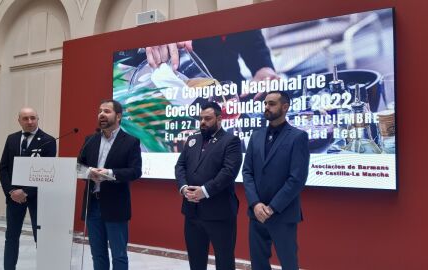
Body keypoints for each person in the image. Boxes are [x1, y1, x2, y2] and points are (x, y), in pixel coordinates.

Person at [242, 91, 310, 270]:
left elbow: (297, 179)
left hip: (282, 213)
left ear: (285, 107)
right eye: (265, 104)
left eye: (271, 104)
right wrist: (256, 204)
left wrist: (272, 208)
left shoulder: (297, 137)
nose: (266, 107)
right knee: (258, 264)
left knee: (288, 264)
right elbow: (247, 172)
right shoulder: (256, 136)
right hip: (256, 214)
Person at [175, 102, 243, 270]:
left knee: (224, 261)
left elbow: (228, 172)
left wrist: (204, 191)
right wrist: (184, 188)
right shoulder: (192, 139)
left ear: (219, 119)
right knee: (196, 260)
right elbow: (180, 166)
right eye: (201, 118)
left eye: (208, 118)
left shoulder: (231, 141)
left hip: (219, 212)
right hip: (192, 210)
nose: (203, 122)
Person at [78, 99, 142, 270]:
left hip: (115, 206)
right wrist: (88, 173)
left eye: (107, 111)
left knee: (119, 256)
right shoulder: (90, 140)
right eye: (100, 111)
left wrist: (110, 173)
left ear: (118, 116)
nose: (101, 114)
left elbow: (135, 171)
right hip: (92, 205)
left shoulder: (130, 141)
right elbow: (78, 166)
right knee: (97, 254)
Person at [0, 107, 56, 270]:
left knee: (41, 237)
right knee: (11, 237)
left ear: (38, 119)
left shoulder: (48, 140)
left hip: (38, 197)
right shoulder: (11, 139)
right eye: (25, 118)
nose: (30, 122)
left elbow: (47, 171)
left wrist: (26, 191)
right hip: (14, 196)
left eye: (33, 118)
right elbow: (3, 168)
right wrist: (11, 191)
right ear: (19, 121)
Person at [145, 29, 278, 99]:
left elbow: (254, 45)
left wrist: (264, 68)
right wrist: (157, 33)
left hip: (232, 94)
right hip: (184, 96)